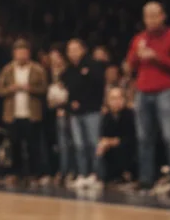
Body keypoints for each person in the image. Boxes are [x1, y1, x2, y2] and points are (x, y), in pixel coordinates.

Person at [126, 1, 170, 192]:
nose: (151, 20)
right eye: (147, 16)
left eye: (155, 15)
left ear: (163, 16)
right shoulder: (139, 39)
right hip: (143, 91)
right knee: (144, 137)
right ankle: (146, 179)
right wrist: (138, 55)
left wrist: (157, 57)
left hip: (166, 90)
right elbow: (130, 65)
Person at [0, 39, 48, 185]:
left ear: (28, 54)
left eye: (24, 52)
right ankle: (15, 173)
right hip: (12, 113)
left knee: (33, 145)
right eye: (18, 52)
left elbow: (44, 88)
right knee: (15, 145)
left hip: (31, 113)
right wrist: (11, 89)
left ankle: (34, 174)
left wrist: (29, 89)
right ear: (14, 54)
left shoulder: (38, 69)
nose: (21, 55)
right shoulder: (7, 70)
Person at [63, 39, 106, 189]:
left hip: (92, 111)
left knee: (94, 144)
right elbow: (68, 91)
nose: (73, 53)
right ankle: (82, 174)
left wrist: (81, 101)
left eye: (76, 49)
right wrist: (71, 104)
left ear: (83, 49)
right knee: (79, 145)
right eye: (70, 50)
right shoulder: (69, 70)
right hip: (75, 113)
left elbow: (96, 87)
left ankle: (96, 175)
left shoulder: (93, 66)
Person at [98, 87, 137, 185]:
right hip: (111, 149)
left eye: (119, 98)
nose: (116, 102)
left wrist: (110, 141)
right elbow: (103, 135)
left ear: (124, 99)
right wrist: (104, 142)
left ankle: (127, 175)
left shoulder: (130, 114)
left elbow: (130, 137)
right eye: (113, 99)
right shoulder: (107, 116)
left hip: (129, 149)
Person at [46, 49, 75, 183]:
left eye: (57, 57)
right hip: (51, 111)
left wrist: (64, 106)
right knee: (58, 143)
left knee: (68, 143)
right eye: (52, 57)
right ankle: (60, 170)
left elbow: (72, 92)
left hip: (66, 111)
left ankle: (69, 171)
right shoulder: (48, 73)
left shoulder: (69, 72)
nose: (55, 60)